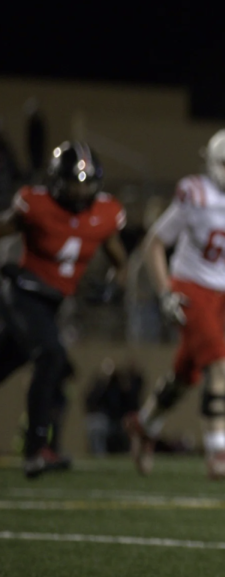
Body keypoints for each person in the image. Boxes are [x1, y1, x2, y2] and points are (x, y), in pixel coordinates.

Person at [124, 128, 225, 479]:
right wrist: (165, 291)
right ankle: (218, 453)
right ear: (213, 165)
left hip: (222, 296)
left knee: (184, 376)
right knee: (221, 367)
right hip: (190, 288)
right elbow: (153, 244)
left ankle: (145, 424)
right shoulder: (197, 196)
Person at [0, 142, 127, 477]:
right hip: (22, 292)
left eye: (87, 183)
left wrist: (113, 285)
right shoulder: (35, 204)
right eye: (74, 182)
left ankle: (38, 447)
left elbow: (120, 261)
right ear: (56, 180)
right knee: (51, 356)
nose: (81, 190)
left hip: (51, 303)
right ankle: (36, 449)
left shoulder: (105, 214)